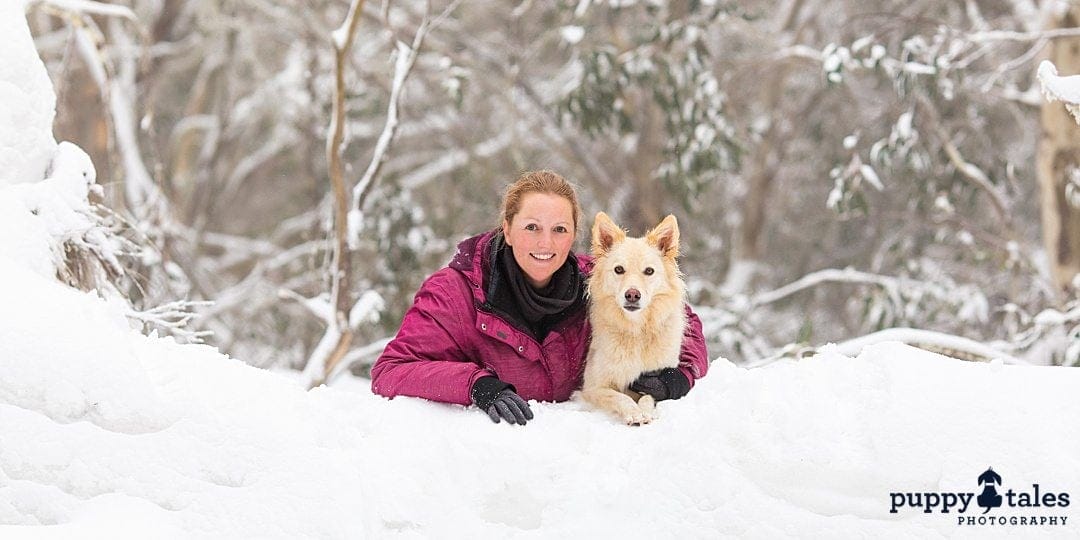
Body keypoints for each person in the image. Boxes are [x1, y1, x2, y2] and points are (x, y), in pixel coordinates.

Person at [370, 170, 709, 425]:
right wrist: (476, 384)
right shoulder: (453, 293)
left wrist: (680, 375)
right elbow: (390, 371)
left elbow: (680, 317)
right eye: (531, 227)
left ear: (574, 235)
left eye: (559, 229)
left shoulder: (599, 277)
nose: (545, 244)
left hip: (579, 463)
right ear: (507, 228)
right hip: (482, 462)